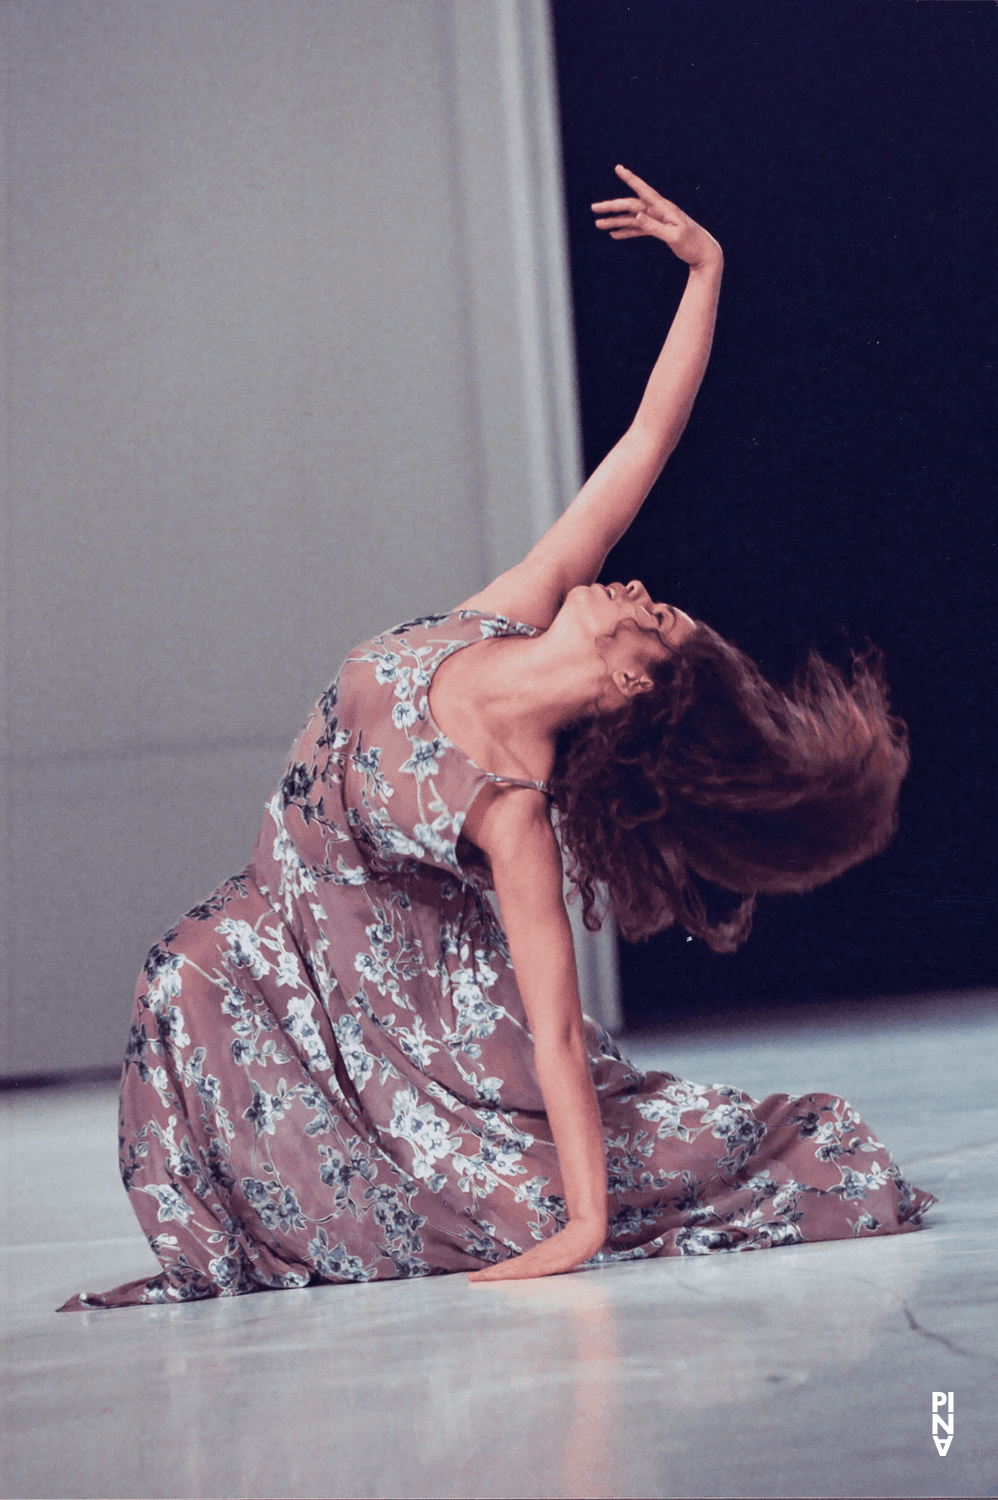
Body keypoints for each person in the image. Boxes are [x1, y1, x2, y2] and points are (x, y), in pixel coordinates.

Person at [59, 167, 931, 1310]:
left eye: (652, 619)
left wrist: (580, 1225)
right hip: (288, 943)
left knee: (561, 1166)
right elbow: (643, 446)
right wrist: (705, 272)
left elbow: (559, 1032)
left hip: (420, 1033)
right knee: (182, 969)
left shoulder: (508, 804)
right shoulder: (515, 608)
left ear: (624, 680)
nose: (637, 589)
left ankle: (552, 1182)